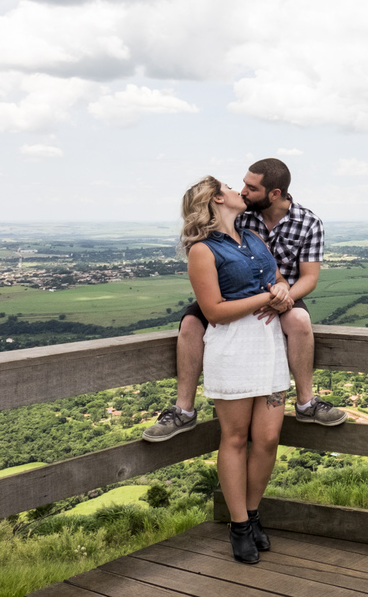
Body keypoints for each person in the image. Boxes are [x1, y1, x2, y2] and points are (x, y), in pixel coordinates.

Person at [144, 158, 344, 442]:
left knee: (299, 320)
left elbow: (309, 277)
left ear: (274, 194)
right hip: (231, 292)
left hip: (281, 288)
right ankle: (183, 410)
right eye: (242, 185)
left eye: (251, 187)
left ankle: (306, 403)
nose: (244, 191)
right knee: (190, 323)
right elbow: (214, 232)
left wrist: (283, 296)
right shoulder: (243, 214)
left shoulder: (308, 223)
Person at [178, 176, 288, 563]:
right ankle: (239, 525)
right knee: (236, 438)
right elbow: (213, 312)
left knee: (269, 438)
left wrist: (283, 290)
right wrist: (267, 296)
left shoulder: (255, 240)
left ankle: (253, 513)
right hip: (233, 351)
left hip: (271, 348)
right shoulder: (202, 251)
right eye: (229, 184)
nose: (239, 190)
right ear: (216, 199)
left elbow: (277, 281)